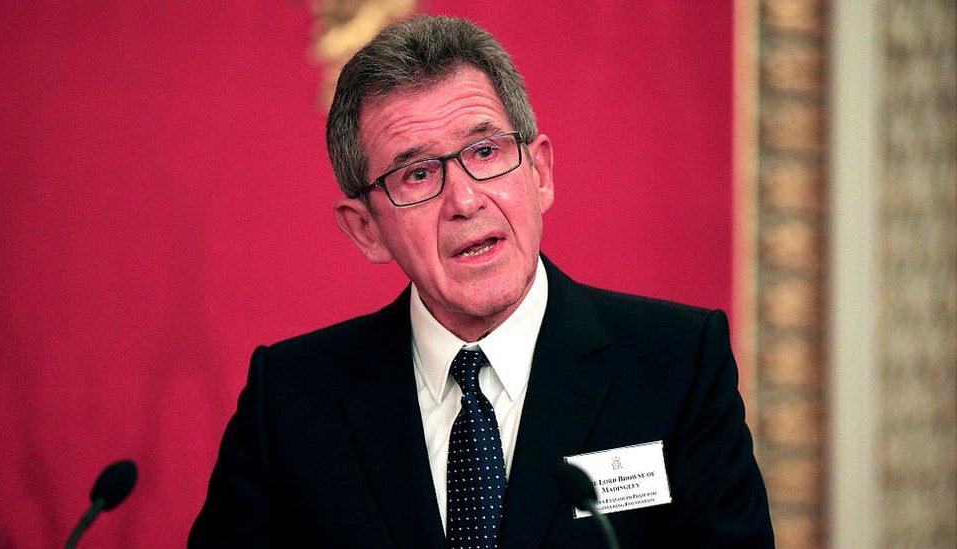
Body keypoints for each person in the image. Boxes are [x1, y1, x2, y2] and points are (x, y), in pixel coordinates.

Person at [190, 15, 773, 548]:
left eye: (486, 150)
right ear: (366, 229)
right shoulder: (292, 401)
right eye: (417, 174)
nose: (465, 200)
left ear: (540, 172)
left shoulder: (675, 366)